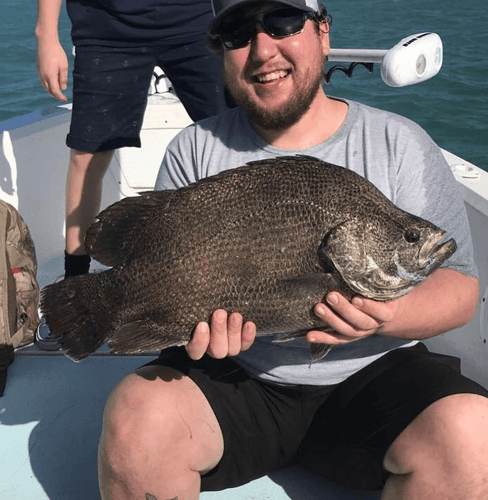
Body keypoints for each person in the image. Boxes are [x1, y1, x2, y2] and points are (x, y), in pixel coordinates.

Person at [97, 1, 488, 499]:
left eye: (283, 22)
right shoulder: (194, 149)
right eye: (239, 33)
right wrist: (191, 334)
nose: (263, 49)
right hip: (237, 373)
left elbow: (459, 289)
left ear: (323, 34)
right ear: (221, 51)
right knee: (134, 424)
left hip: (375, 377)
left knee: (475, 436)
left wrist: (383, 317)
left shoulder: (399, 143)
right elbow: (176, 281)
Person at [35, 0, 234, 279]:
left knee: (234, 136)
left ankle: (245, 258)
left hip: (197, 20)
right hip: (106, 27)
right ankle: (75, 280)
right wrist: (47, 37)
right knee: (88, 155)